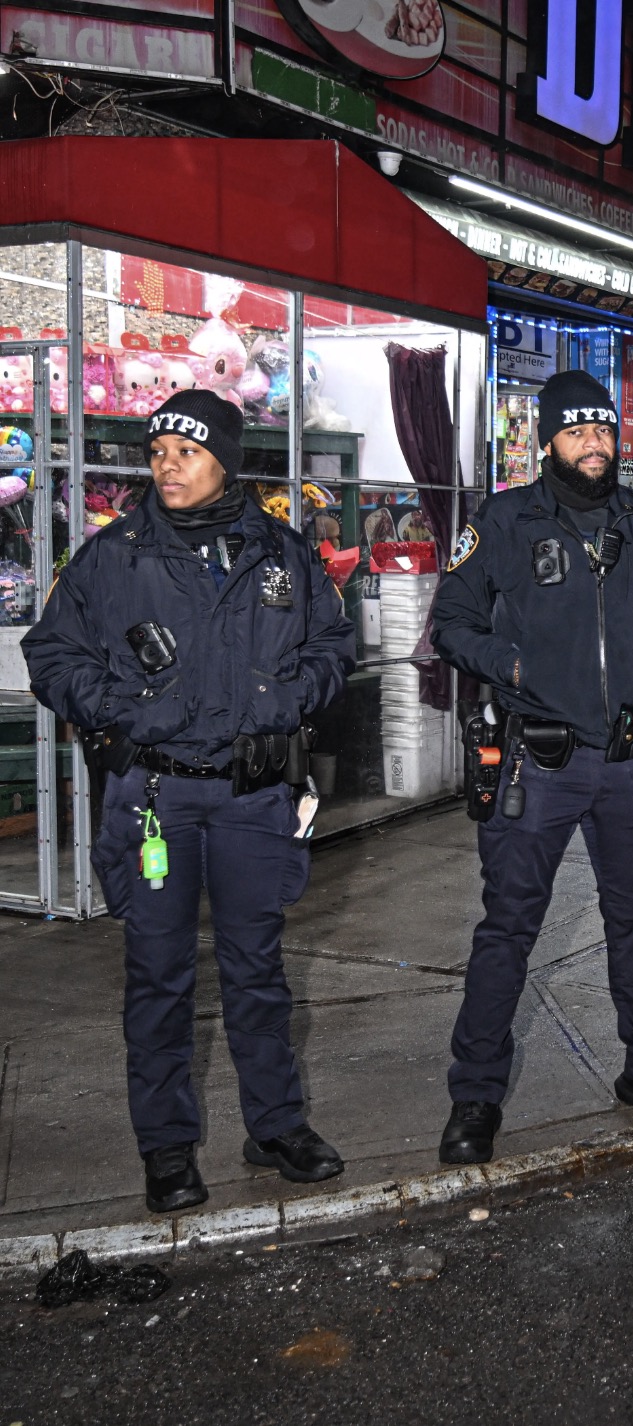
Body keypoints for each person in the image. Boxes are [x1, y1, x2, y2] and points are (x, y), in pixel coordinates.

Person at [23, 389, 355, 1212]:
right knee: (159, 977)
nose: (167, 464)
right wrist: (121, 709)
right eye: (159, 450)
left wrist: (290, 698)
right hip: (155, 798)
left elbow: (334, 645)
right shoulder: (115, 554)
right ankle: (167, 1147)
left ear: (227, 461)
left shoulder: (281, 552)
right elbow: (52, 652)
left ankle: (275, 1126)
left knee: (256, 972)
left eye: (187, 450)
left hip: (252, 798)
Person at [429, 370, 633, 1165]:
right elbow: (450, 622)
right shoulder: (505, 520)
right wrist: (515, 669)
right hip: (541, 760)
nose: (594, 444)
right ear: (547, 441)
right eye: (577, 432)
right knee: (509, 930)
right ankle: (475, 1096)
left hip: (632, 764)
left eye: (603, 431)